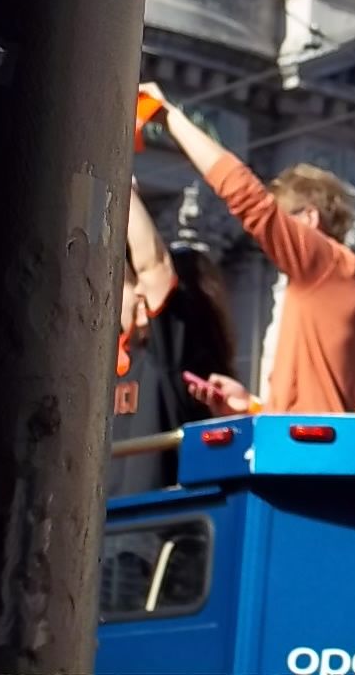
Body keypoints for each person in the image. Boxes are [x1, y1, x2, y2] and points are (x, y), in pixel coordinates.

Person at [138, 83, 355, 416]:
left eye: (285, 218)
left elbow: (247, 198)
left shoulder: (327, 264)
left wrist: (168, 118)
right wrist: (250, 406)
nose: (266, 240)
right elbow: (315, 403)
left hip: (309, 463)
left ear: (309, 217)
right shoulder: (336, 281)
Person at [109, 182, 237, 495]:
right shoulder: (108, 361)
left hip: (142, 536)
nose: (139, 291)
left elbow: (153, 267)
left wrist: (122, 183)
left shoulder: (167, 359)